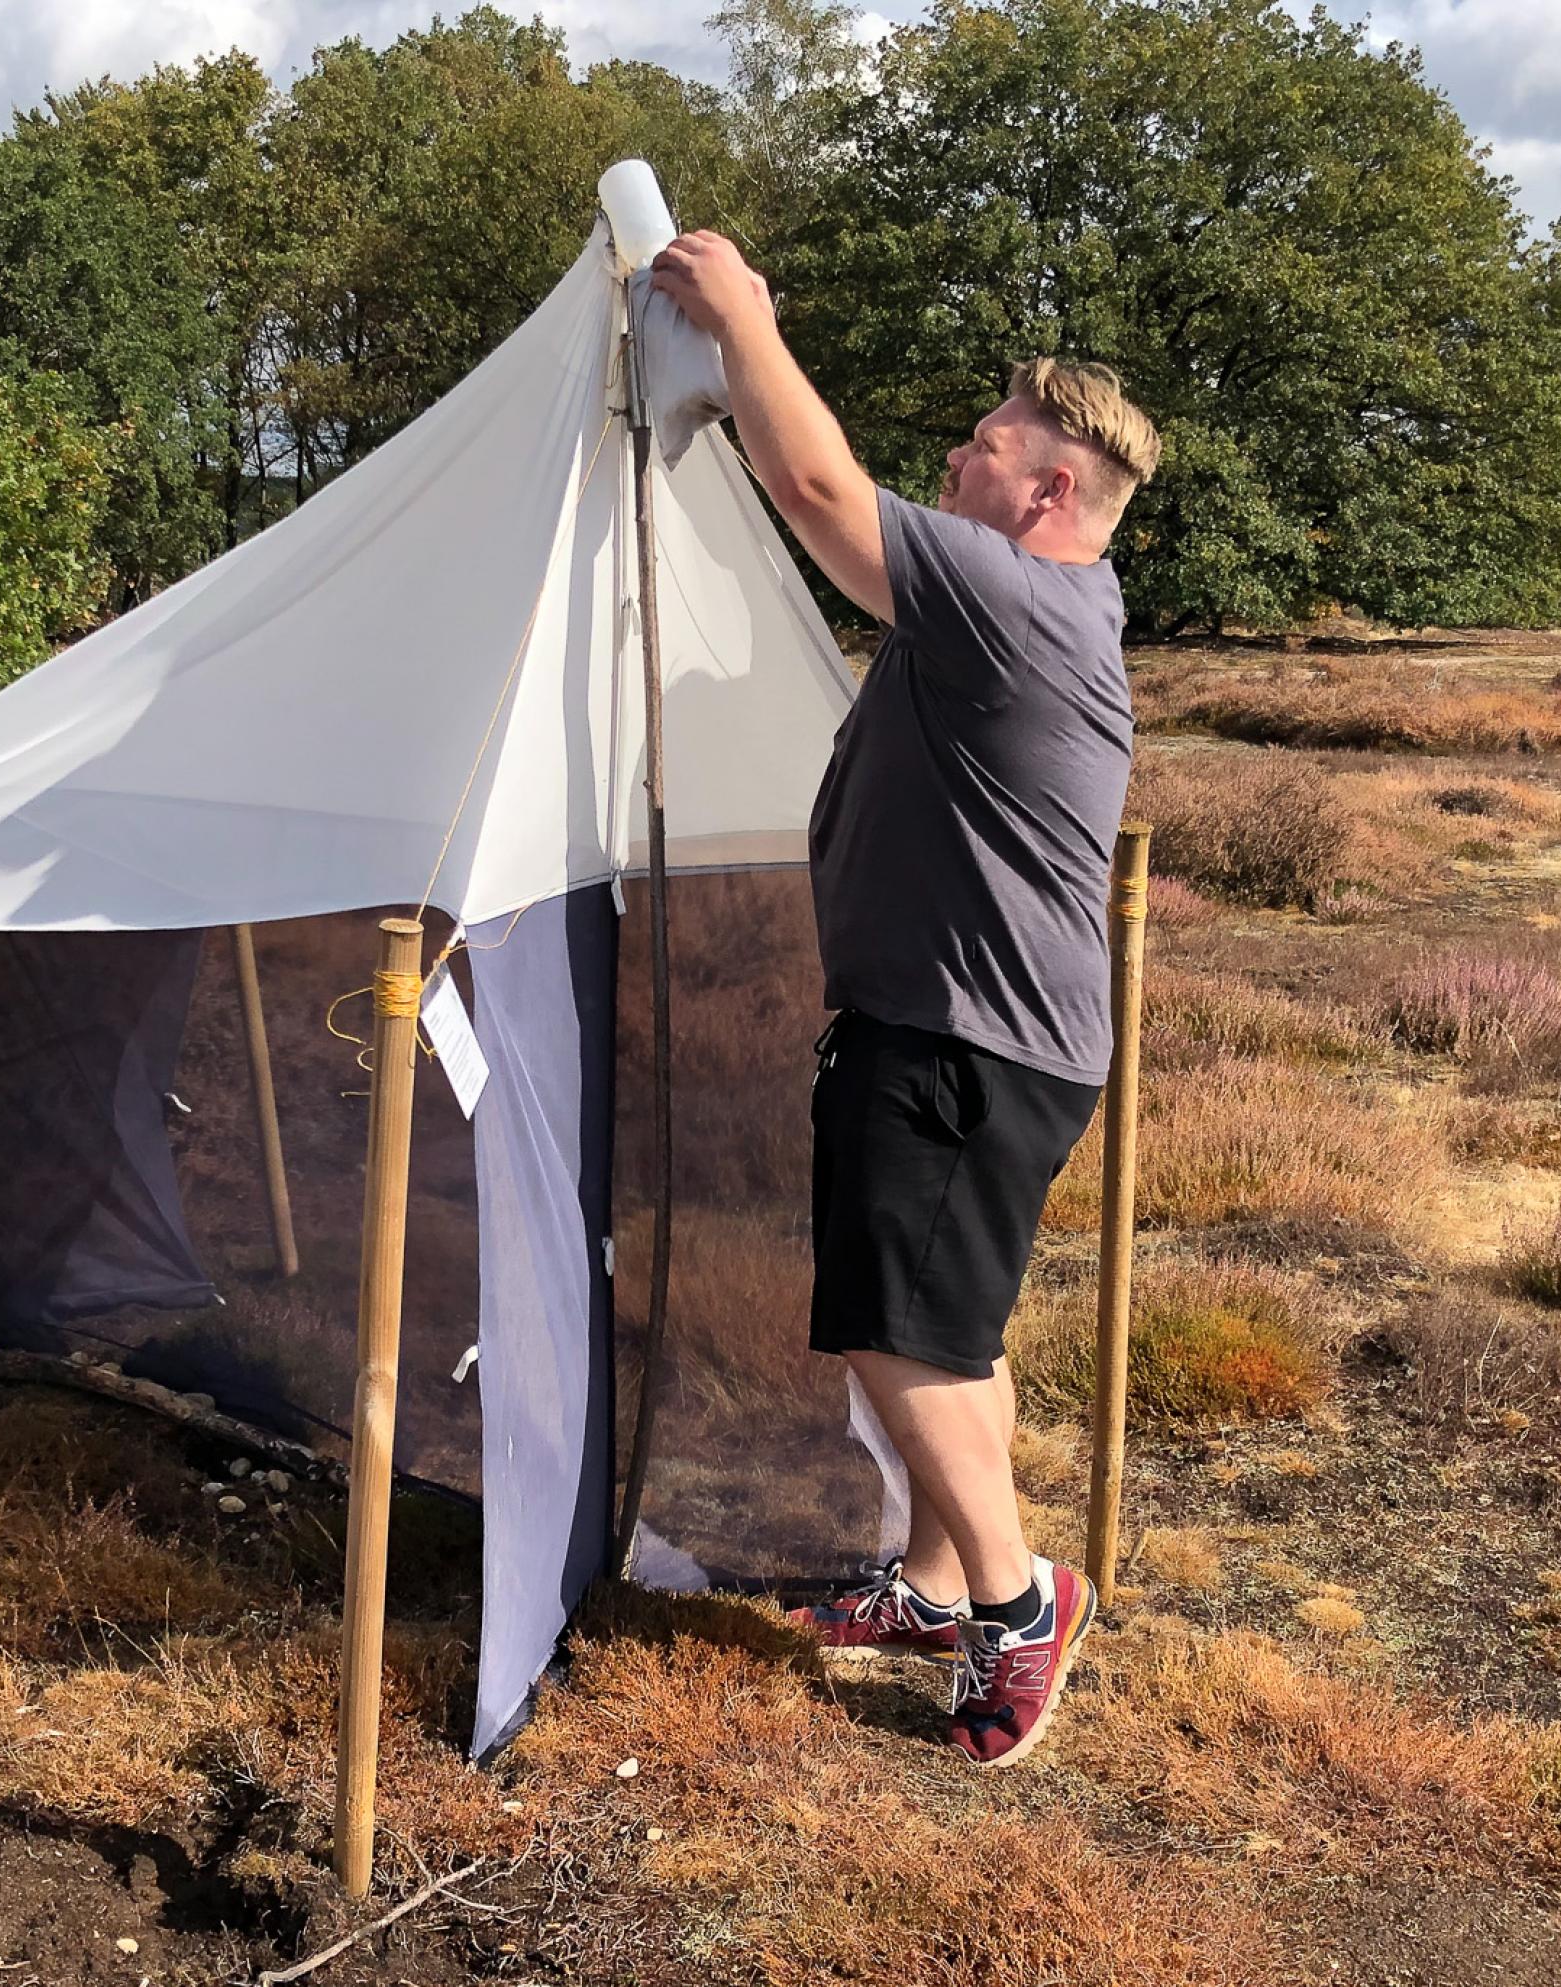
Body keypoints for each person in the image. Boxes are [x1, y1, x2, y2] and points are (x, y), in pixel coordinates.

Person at [648, 230, 1160, 1768]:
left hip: (960, 1037)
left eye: (988, 441)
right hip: (980, 1034)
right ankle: (936, 1584)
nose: (958, 452)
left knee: (894, 1335)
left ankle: (1013, 1607)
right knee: (956, 1329)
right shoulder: (1021, 607)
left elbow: (812, 491)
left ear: (1047, 491)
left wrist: (738, 313)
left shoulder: (1016, 595)